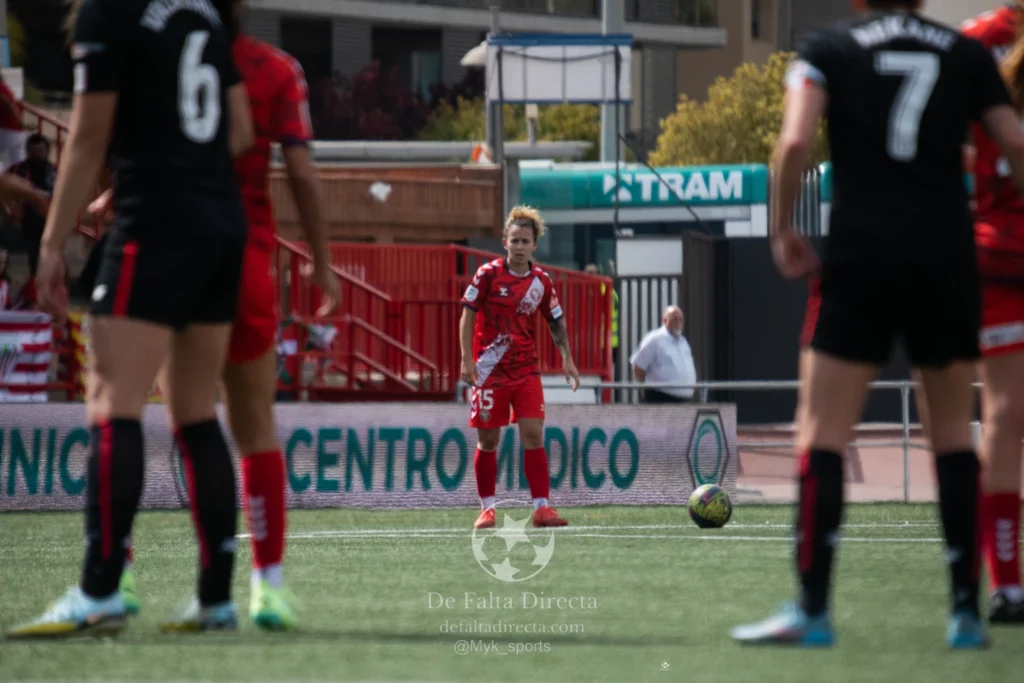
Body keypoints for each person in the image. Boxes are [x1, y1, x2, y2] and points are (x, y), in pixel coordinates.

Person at [731, 0, 1024, 649]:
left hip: (861, 255)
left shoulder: (827, 48)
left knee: (823, 434)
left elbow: (795, 142)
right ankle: (965, 612)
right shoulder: (967, 53)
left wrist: (782, 229)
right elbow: (1015, 142)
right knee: (952, 435)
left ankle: (812, 608)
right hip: (947, 258)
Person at [5, 0, 254, 638]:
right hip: (220, 225)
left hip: (155, 226)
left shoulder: (108, 13)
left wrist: (53, 243)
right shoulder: (201, 11)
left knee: (113, 404)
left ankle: (99, 590)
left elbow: (88, 137)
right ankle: (216, 598)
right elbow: (240, 131)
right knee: (196, 412)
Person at [110, 0, 339, 630]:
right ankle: (268, 585)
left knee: (132, 410)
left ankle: (116, 571)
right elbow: (301, 172)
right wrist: (322, 262)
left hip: (164, 244)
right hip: (247, 256)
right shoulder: (275, 69)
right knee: (253, 426)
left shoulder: (156, 54)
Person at [961, 1, 1024, 625]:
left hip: (998, 247)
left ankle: (1009, 585)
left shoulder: (977, 38)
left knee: (1004, 415)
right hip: (1005, 249)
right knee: (1005, 415)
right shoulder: (980, 39)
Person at [460, 206, 580, 530]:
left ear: (534, 245)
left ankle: (541, 508)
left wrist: (567, 358)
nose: (519, 246)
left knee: (533, 434)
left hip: (526, 370)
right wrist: (465, 359)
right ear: (504, 242)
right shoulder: (486, 274)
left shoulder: (541, 282)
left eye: (526, 240)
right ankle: (487, 509)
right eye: (514, 240)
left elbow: (555, 320)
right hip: (489, 371)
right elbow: (467, 314)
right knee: (488, 441)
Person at [630, 305, 697, 404]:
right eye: (674, 319)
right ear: (665, 320)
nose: (678, 323)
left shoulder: (683, 342)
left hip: (684, 401)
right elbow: (638, 367)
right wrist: (648, 388)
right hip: (661, 399)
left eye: (680, 320)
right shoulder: (655, 339)